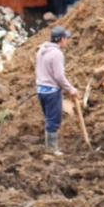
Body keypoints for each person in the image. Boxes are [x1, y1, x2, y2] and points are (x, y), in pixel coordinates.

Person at [35, 26, 79, 156]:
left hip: (41, 90)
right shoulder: (57, 54)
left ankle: (49, 146)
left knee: (49, 118)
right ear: (61, 39)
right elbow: (59, 76)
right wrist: (70, 89)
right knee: (53, 120)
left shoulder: (42, 50)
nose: (67, 41)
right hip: (52, 92)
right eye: (66, 39)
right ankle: (51, 149)